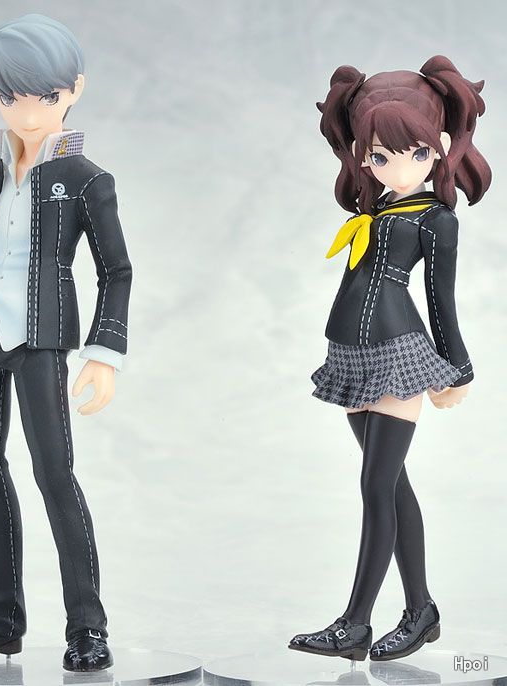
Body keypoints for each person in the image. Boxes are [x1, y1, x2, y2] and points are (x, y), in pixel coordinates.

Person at [0, 14, 132, 672]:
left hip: (41, 337)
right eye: (10, 96)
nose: (28, 111)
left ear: (74, 90)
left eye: (46, 95)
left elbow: (116, 271)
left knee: (53, 473)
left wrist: (104, 352)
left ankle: (88, 625)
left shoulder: (86, 179)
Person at [288, 56, 491, 662]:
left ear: (440, 149)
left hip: (399, 353)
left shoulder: (436, 220)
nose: (397, 168)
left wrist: (458, 368)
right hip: (350, 354)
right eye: (380, 156)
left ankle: (355, 623)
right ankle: (421, 610)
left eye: (415, 153)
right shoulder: (371, 214)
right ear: (362, 156)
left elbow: (440, 299)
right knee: (392, 485)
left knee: (376, 484)